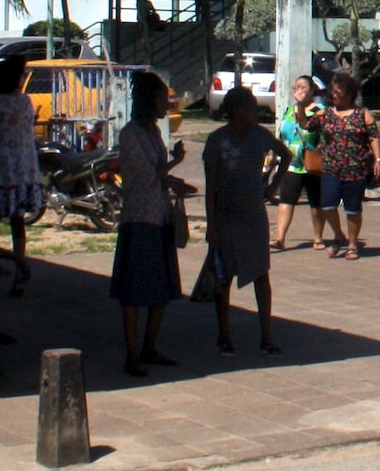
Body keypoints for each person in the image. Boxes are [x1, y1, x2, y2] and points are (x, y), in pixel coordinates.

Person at [204, 85, 291, 355]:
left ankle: (266, 336)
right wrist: (212, 226)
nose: (255, 113)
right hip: (227, 214)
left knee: (261, 274)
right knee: (224, 276)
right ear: (237, 111)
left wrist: (273, 185)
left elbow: (286, 154)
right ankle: (223, 335)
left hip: (254, 213)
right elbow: (210, 187)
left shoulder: (259, 135)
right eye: (251, 108)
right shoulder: (217, 140)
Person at [111, 72, 186, 376]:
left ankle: (149, 346)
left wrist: (173, 180)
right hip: (139, 217)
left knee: (161, 288)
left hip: (159, 214)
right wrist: (175, 163)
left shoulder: (154, 131)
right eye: (161, 98)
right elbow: (143, 175)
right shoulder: (131, 134)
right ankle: (132, 353)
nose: (166, 104)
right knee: (134, 291)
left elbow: (156, 173)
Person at [309, 70, 380, 258]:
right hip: (331, 167)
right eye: (332, 92)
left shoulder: (362, 114)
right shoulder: (326, 113)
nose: (334, 95)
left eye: (338, 92)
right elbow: (306, 125)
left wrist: (378, 160)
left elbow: (373, 137)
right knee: (327, 205)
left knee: (353, 209)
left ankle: (352, 244)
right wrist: (303, 105)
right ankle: (338, 235)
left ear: (349, 93)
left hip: (356, 169)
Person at [0, 56, 43, 300]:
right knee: (17, 221)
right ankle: (19, 270)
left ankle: (2, 263)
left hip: (0, 171)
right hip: (25, 171)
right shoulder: (26, 102)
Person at [271, 75, 321, 250]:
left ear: (312, 90)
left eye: (303, 87)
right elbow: (281, 133)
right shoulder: (289, 110)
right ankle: (280, 238)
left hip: (312, 163)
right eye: (296, 87)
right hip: (291, 164)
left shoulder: (319, 111)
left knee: (316, 202)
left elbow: (314, 132)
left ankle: (318, 238)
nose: (298, 90)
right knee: (286, 199)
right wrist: (274, 154)